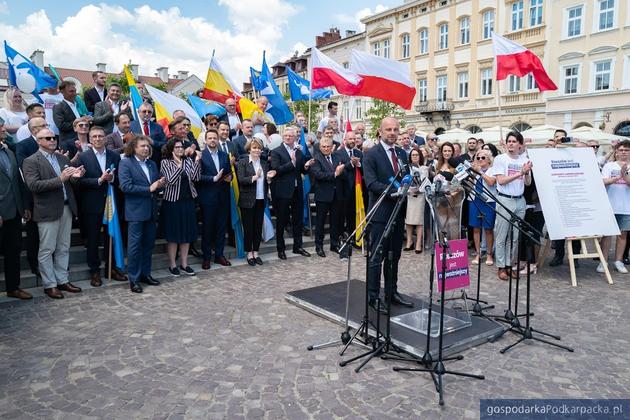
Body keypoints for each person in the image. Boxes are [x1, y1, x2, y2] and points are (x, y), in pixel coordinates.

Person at [22, 128, 85, 299]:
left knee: (63, 247)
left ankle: (62, 279)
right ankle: (50, 284)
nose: (52, 140)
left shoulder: (62, 157)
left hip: (66, 207)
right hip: (47, 209)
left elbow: (69, 180)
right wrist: (61, 179)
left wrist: (76, 176)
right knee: (47, 249)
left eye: (54, 137)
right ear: (38, 141)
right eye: (47, 138)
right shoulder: (30, 161)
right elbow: (34, 185)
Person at [363, 117, 412, 314]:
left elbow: (406, 176)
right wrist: (395, 191)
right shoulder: (371, 154)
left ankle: (391, 292)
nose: (392, 133)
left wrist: (411, 186)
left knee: (395, 255)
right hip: (381, 212)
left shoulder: (401, 153)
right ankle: (373, 296)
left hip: (398, 211)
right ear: (380, 131)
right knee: (377, 256)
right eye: (388, 129)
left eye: (395, 129)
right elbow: (372, 184)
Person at [74, 125, 126, 285]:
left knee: (111, 236)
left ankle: (111, 268)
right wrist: (99, 180)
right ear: (90, 138)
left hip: (111, 203)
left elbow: (119, 178)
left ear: (105, 138)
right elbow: (79, 182)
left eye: (100, 136)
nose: (97, 139)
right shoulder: (83, 157)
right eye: (94, 136)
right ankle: (94, 271)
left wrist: (112, 179)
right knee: (93, 239)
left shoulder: (114, 156)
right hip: (92, 204)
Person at [118, 135, 166, 293]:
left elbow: (154, 186)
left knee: (148, 245)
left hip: (151, 211)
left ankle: (146, 274)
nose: (146, 148)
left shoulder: (152, 164)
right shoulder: (126, 163)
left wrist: (160, 185)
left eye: (147, 146)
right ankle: (134, 279)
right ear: (134, 148)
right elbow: (125, 186)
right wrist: (149, 189)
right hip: (136, 212)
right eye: (142, 146)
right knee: (134, 247)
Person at [489, 131, 532, 281]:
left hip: (520, 200)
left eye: (514, 141)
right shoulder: (501, 159)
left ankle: (510, 265)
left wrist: (526, 173)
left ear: (520, 144)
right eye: (509, 141)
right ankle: (501, 267)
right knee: (502, 235)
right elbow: (500, 181)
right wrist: (520, 173)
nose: (511, 143)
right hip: (504, 199)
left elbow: (528, 183)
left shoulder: (524, 159)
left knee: (515, 237)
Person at [270, 127, 315, 259]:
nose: (288, 137)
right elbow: (275, 169)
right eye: (286, 135)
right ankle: (281, 249)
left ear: (295, 137)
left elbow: (302, 170)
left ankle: (298, 246)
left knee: (298, 220)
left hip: (297, 190)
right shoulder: (276, 152)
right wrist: (291, 163)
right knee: (281, 221)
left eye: (291, 136)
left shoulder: (299, 151)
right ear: (283, 137)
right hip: (283, 191)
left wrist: (306, 166)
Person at [0, 119, 32, 299]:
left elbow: (18, 181)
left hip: (14, 211)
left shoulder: (8, 150)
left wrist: (24, 206)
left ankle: (14, 287)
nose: (4, 129)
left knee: (14, 251)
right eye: (1, 127)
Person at [160, 138, 201, 277]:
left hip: (188, 201)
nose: (180, 149)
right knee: (173, 235)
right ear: (172, 149)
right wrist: (179, 166)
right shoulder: (165, 162)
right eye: (177, 147)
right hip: (172, 203)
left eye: (181, 147)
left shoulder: (188, 161)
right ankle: (172, 264)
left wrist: (196, 162)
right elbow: (170, 180)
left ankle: (184, 263)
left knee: (186, 233)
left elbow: (196, 177)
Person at [236, 138, 276, 265]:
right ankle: (249, 253)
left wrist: (269, 179)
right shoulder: (243, 162)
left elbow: (266, 183)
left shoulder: (264, 163)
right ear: (249, 149)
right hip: (247, 200)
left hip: (260, 199)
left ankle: (256, 252)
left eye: (259, 148)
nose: (257, 150)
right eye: (254, 148)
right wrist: (254, 177)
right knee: (248, 228)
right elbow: (241, 180)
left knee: (258, 228)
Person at [197, 129, 232, 270]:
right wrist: (213, 178)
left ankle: (219, 255)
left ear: (218, 140)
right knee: (208, 229)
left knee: (221, 228)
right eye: (210, 138)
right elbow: (197, 176)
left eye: (214, 138)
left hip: (223, 196)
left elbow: (229, 172)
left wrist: (230, 178)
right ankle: (206, 258)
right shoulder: (201, 156)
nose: (212, 140)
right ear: (205, 140)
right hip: (208, 197)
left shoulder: (224, 155)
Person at [310, 137, 346, 257]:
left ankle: (334, 244)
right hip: (323, 195)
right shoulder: (316, 159)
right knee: (320, 222)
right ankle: (319, 246)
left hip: (337, 195)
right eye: (323, 147)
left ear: (332, 147)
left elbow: (343, 173)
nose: (326, 148)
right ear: (320, 147)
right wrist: (335, 174)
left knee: (335, 221)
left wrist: (340, 172)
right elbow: (319, 175)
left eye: (328, 147)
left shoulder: (337, 157)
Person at [599, 140, 630, 274]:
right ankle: (603, 261)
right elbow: (602, 181)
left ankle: (618, 260)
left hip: (626, 207)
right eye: (621, 150)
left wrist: (624, 175)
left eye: (626, 150)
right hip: (610, 205)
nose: (623, 152)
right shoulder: (609, 166)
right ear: (616, 152)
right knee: (607, 235)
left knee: (623, 235)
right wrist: (615, 179)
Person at [468, 149, 496, 266]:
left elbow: (491, 182)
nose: (480, 160)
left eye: (483, 158)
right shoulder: (474, 171)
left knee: (488, 229)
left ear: (489, 159)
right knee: (476, 228)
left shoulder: (493, 170)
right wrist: (473, 173)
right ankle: (478, 253)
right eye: (478, 158)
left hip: (488, 202)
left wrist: (481, 172)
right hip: (475, 201)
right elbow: (469, 185)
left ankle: (489, 254)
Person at [335, 130, 363, 241]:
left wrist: (359, 164)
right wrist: (351, 164)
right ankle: (341, 237)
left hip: (356, 190)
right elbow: (339, 171)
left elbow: (364, 170)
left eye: (354, 139)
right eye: (350, 139)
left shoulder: (359, 153)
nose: (353, 141)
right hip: (342, 190)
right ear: (345, 140)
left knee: (353, 216)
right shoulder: (338, 153)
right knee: (341, 215)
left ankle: (353, 237)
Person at [404, 149, 429, 253]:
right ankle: (409, 241)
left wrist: (418, 189)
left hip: (420, 196)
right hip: (409, 195)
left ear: (420, 156)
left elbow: (425, 182)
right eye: (413, 155)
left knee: (419, 221)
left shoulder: (424, 168)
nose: (414, 156)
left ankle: (418, 243)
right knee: (409, 220)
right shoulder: (406, 168)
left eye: (417, 155)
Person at [53, 81, 89, 150]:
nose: (74, 94)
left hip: (83, 140)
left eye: (75, 91)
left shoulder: (79, 104)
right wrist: (77, 122)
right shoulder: (58, 107)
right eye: (71, 91)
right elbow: (61, 125)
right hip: (68, 143)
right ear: (63, 92)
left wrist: (87, 120)